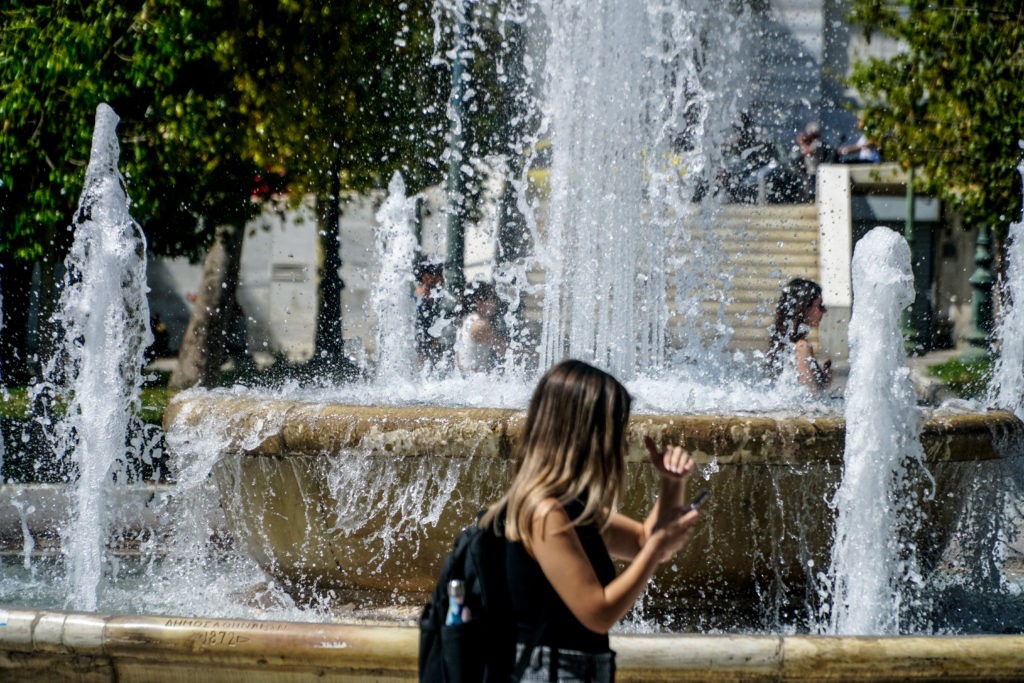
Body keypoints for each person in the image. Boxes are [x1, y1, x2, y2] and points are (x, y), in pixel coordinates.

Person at [479, 360, 701, 682]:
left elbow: (641, 540)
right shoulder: (546, 514)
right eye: (616, 435)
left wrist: (672, 483)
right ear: (584, 436)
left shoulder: (572, 508)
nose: (624, 449)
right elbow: (597, 613)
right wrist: (656, 548)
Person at [766, 278, 832, 394]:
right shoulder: (802, 347)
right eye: (820, 306)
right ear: (804, 309)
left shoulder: (783, 344)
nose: (824, 311)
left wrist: (824, 379)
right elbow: (811, 398)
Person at [454, 280, 506, 373]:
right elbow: (505, 351)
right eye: (492, 298)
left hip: (466, 379)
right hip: (475, 380)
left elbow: (458, 359)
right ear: (479, 302)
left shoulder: (465, 321)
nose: (495, 302)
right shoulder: (481, 325)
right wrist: (532, 352)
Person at [414, 261, 446, 369]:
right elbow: (420, 346)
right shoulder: (421, 303)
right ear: (427, 277)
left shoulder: (423, 299)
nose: (442, 280)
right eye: (439, 275)